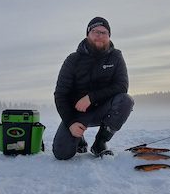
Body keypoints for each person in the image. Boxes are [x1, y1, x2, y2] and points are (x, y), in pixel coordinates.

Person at [53, 17, 134, 160]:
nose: (100, 35)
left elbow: (122, 86)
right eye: (95, 31)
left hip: (103, 110)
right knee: (62, 153)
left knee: (125, 100)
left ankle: (100, 143)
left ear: (109, 36)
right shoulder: (73, 60)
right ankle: (79, 138)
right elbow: (60, 94)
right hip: (78, 113)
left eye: (104, 32)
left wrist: (91, 97)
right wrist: (71, 122)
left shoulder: (116, 56)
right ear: (87, 34)